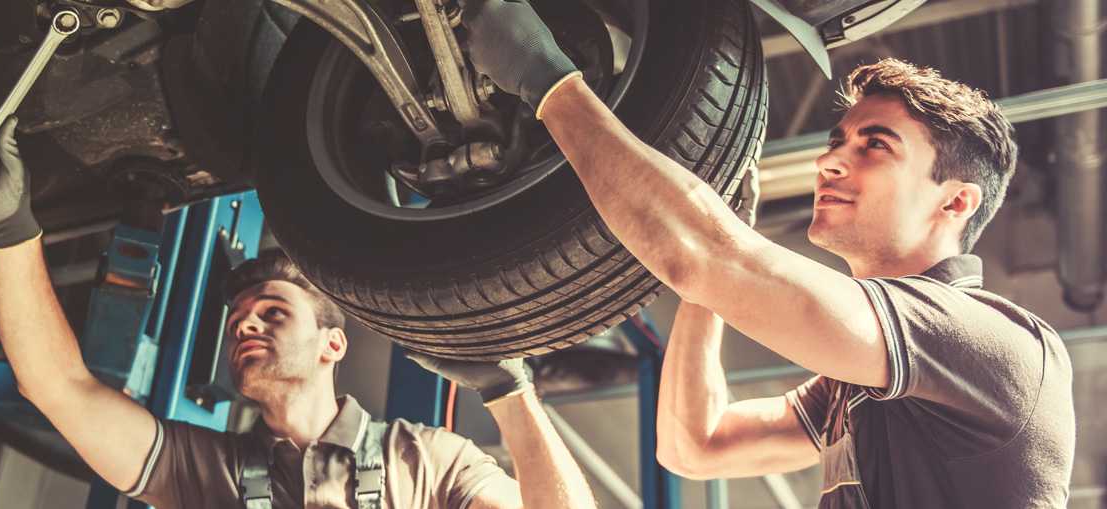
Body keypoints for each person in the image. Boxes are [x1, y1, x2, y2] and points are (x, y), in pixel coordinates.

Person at [460, 2, 1075, 507]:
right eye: (838, 140)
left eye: (875, 145)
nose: (829, 160)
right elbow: (695, 443)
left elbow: (700, 255)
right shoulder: (860, 385)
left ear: (956, 202)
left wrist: (549, 84)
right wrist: (717, 281)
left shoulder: (989, 340)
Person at [0, 115, 597, 509]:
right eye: (238, 315)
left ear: (332, 343)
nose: (244, 322)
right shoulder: (203, 471)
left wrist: (511, 389)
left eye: (272, 311)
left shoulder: (429, 462)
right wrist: (10, 229)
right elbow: (60, 389)